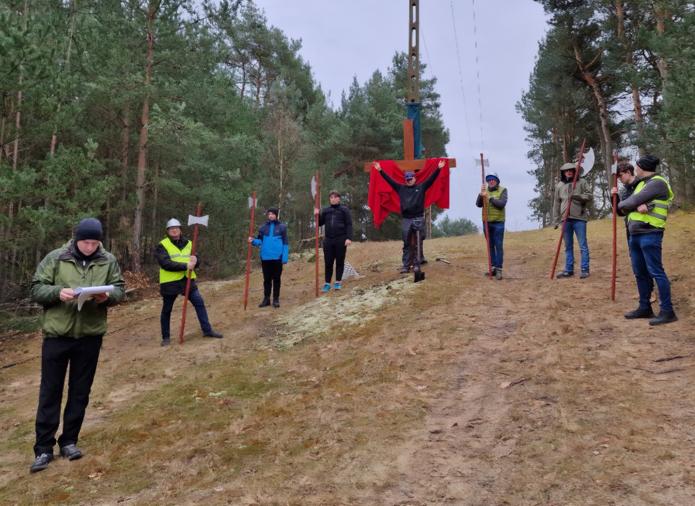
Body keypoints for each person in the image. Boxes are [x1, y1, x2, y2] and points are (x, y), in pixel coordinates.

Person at [29, 218, 125, 473]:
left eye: (94, 242)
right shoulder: (56, 258)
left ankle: (69, 441)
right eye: (85, 242)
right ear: (76, 239)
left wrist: (107, 297)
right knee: (50, 392)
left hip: (90, 335)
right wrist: (57, 292)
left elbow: (119, 289)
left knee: (80, 391)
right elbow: (37, 289)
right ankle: (43, 448)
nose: (90, 246)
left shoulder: (109, 260)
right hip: (56, 336)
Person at [617, 155, 677, 325]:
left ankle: (667, 311)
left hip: (650, 232)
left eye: (637, 166)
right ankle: (645, 308)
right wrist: (627, 204)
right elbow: (623, 207)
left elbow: (630, 202)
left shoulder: (657, 182)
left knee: (656, 272)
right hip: (635, 234)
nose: (635, 169)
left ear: (642, 167)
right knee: (640, 273)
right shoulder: (641, 184)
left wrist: (629, 204)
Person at [155, 218, 223, 346]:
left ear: (180, 230)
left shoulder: (189, 243)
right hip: (170, 283)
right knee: (167, 310)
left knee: (199, 303)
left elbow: (197, 260)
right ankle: (166, 337)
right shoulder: (162, 245)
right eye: (171, 229)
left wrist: (195, 260)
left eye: (176, 228)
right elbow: (165, 263)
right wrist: (186, 265)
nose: (174, 230)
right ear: (168, 231)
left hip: (187, 280)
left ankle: (207, 330)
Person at [374, 159, 446, 273]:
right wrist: (380, 170)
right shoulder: (400, 188)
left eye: (411, 179)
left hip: (418, 217)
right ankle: (406, 265)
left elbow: (431, 179)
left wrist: (439, 168)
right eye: (407, 179)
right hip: (406, 219)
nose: (409, 181)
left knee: (417, 242)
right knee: (406, 243)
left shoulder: (422, 187)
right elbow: (389, 180)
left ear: (414, 178)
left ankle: (417, 265)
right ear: (405, 180)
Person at [552, 162, 593, 279]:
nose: (569, 172)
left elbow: (589, 195)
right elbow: (556, 203)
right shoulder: (559, 186)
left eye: (571, 170)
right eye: (566, 171)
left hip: (579, 218)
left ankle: (585, 269)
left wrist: (576, 196)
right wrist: (556, 220)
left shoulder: (582, 182)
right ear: (563, 173)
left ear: (574, 171)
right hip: (565, 219)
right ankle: (568, 270)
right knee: (568, 246)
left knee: (583, 245)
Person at [248, 207, 289, 308]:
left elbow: (285, 243)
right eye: (269, 214)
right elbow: (259, 241)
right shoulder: (263, 227)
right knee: (266, 279)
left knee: (276, 279)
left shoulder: (282, 227)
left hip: (277, 258)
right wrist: (252, 241)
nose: (270, 215)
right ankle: (266, 299)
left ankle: (276, 299)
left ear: (276, 215)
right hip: (265, 257)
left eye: (272, 214)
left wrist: (285, 257)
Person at [315, 191, 353, 292]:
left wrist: (348, 238)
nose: (333, 199)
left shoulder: (344, 210)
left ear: (339, 198)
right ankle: (327, 283)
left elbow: (349, 224)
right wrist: (317, 214)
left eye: (335, 197)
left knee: (340, 261)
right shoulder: (326, 210)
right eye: (331, 197)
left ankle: (338, 282)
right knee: (328, 262)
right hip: (328, 240)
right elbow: (320, 223)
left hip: (341, 239)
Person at [476, 173, 508, 280]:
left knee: (498, 246)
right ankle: (493, 268)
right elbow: (478, 204)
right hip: (486, 222)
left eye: (493, 180)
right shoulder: (485, 191)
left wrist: (489, 198)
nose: (491, 181)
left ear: (497, 181)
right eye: (489, 180)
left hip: (498, 222)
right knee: (490, 246)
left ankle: (499, 269)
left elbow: (501, 204)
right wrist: (481, 194)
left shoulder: (503, 190)